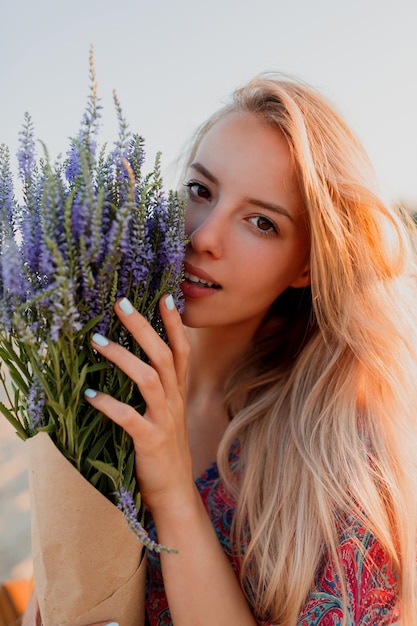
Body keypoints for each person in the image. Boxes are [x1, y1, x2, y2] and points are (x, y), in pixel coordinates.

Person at [24, 74, 417, 625]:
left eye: (261, 222)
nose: (204, 235)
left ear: (307, 263)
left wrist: (174, 493)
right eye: (200, 191)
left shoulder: (341, 459)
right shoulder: (100, 380)